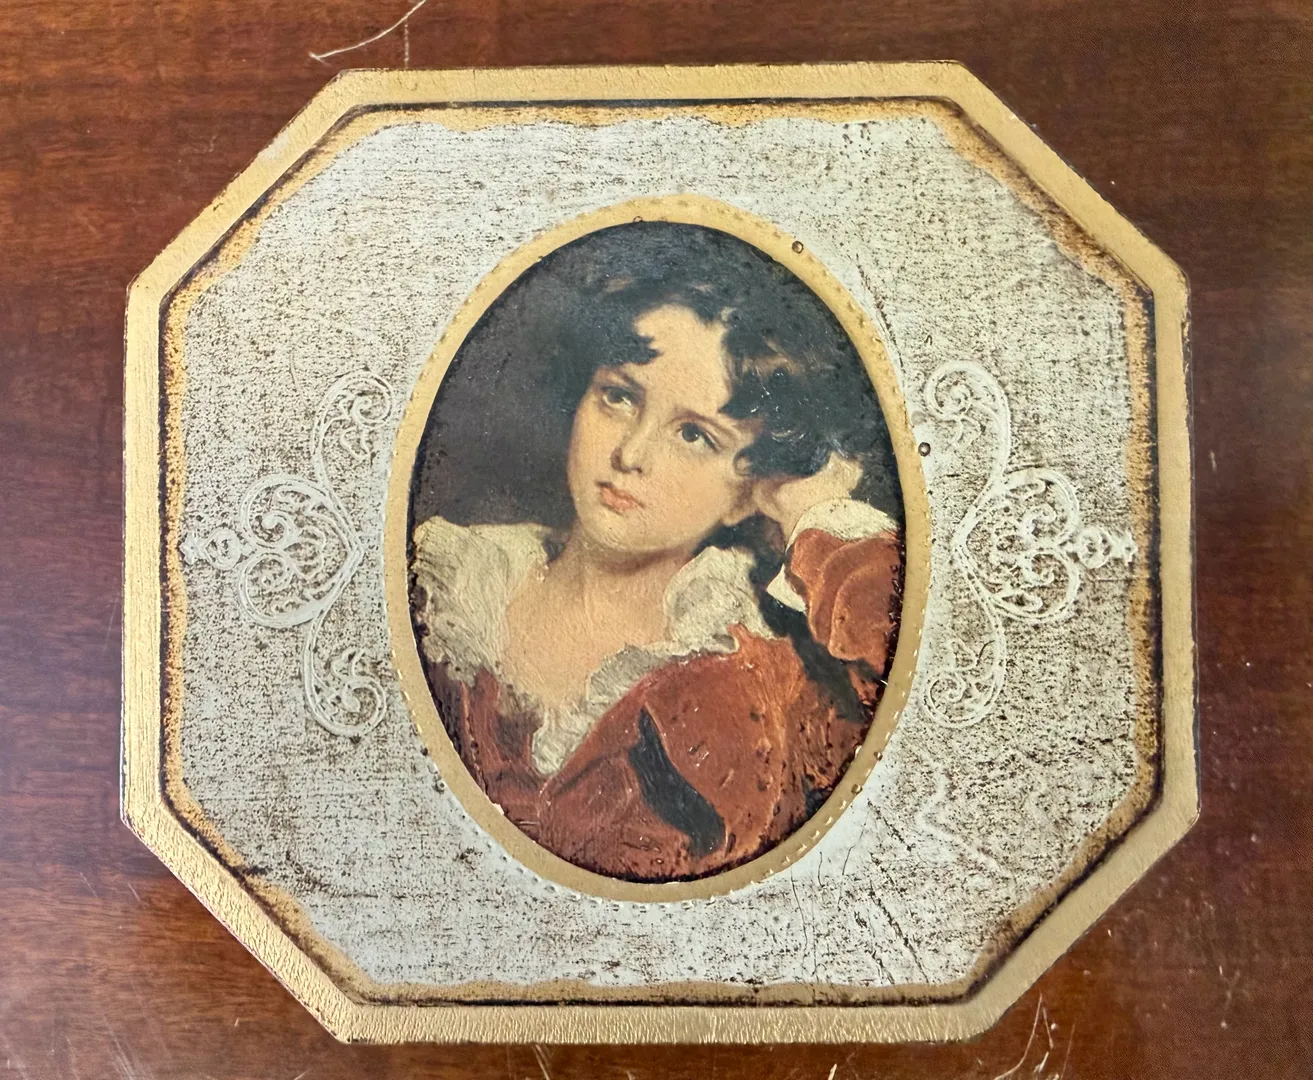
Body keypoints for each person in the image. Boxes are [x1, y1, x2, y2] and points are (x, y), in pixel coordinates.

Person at [410, 223, 902, 882]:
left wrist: (814, 516)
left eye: (694, 435)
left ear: (749, 492)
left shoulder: (755, 675)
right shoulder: (448, 585)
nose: (630, 454)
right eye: (618, 397)